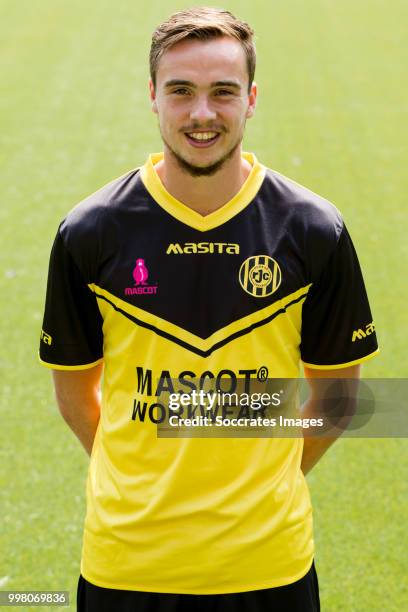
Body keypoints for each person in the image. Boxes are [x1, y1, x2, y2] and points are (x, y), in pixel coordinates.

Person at [39, 6, 379, 611]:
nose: (202, 114)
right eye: (181, 92)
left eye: (223, 92)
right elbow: (74, 397)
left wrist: (263, 481)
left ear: (251, 98)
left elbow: (338, 401)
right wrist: (136, 476)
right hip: (126, 566)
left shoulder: (311, 229)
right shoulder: (90, 232)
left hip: (269, 566)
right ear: (153, 97)